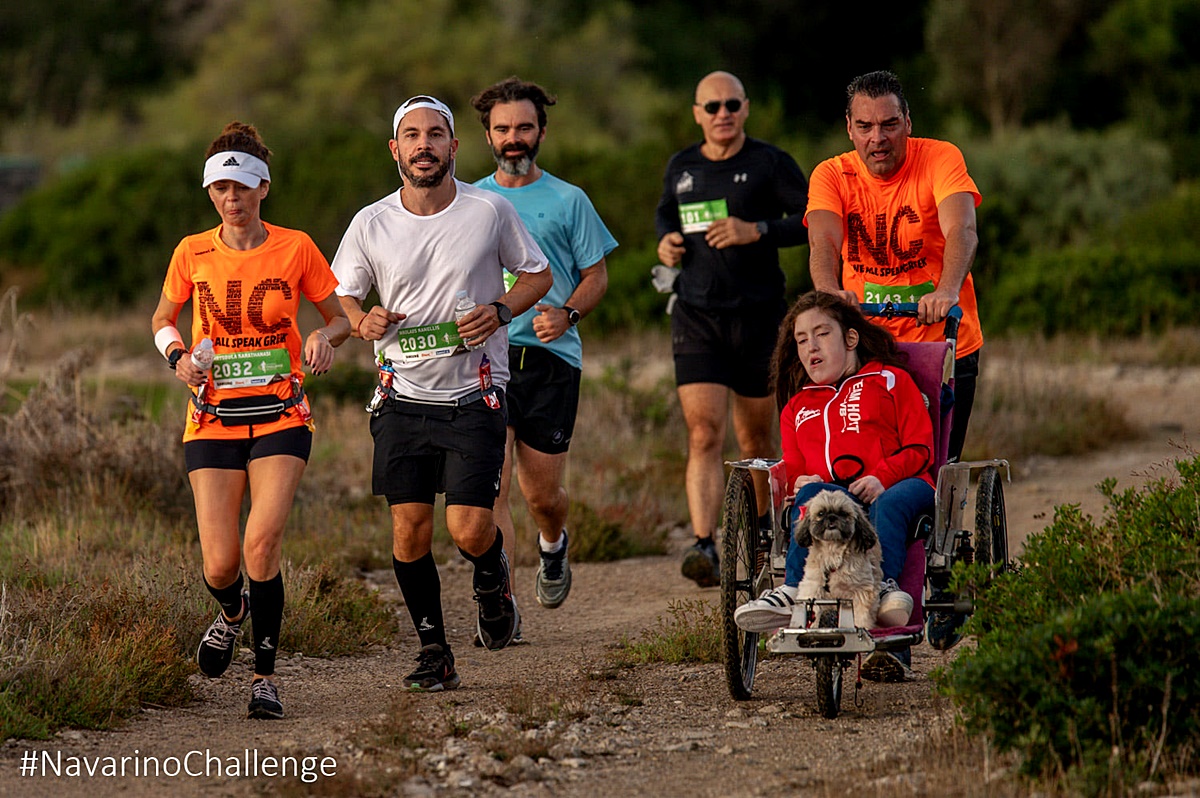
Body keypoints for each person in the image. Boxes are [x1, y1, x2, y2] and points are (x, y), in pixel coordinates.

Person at [331, 95, 552, 692]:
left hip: (474, 394)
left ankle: (491, 573)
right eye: (411, 135)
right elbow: (342, 297)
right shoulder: (370, 222)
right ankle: (435, 651)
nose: (423, 145)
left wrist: (501, 309)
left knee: (469, 529)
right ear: (395, 149)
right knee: (408, 532)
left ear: (454, 147)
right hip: (400, 394)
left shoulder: (490, 210)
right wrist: (361, 321)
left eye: (435, 134)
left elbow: (538, 274)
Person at [150, 121, 351, 720]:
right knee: (220, 563)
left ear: (263, 187)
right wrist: (177, 356)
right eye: (219, 189)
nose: (230, 199)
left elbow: (340, 316)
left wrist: (325, 336)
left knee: (261, 546)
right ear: (210, 194)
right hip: (211, 416)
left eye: (240, 187)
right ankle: (232, 613)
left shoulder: (296, 247)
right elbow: (163, 317)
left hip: (282, 414)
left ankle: (264, 678)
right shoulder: (191, 251)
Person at [654, 70, 809, 588]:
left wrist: (757, 229)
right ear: (696, 113)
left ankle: (764, 533)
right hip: (696, 317)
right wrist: (666, 244)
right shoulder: (682, 166)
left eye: (732, 105)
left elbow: (812, 217)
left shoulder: (769, 162)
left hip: (760, 317)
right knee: (704, 433)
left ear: (746, 108)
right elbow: (665, 221)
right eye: (712, 106)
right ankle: (704, 546)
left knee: (755, 437)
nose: (723, 114)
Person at [470, 77, 617, 615]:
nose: (514, 138)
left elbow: (597, 275)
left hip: (551, 359)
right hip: (485, 358)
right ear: (487, 135)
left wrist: (569, 311)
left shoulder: (568, 199)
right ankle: (500, 600)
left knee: (542, 497)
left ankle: (553, 544)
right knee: (493, 491)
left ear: (541, 132)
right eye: (503, 128)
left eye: (524, 127)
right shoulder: (470, 200)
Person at [732, 291, 934, 682]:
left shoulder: (890, 380)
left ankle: (883, 586)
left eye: (822, 334)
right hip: (832, 497)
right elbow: (793, 465)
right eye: (802, 339)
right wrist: (800, 479)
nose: (811, 347)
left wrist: (883, 476)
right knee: (811, 497)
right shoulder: (796, 407)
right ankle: (792, 591)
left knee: (886, 504)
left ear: (851, 339)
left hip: (902, 486)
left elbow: (921, 446)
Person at [806, 69, 982, 464]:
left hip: (943, 339)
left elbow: (963, 229)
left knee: (936, 463)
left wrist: (947, 290)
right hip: (867, 343)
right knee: (865, 457)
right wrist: (828, 291)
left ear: (908, 123)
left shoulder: (940, 158)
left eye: (889, 125)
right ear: (849, 129)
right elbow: (824, 240)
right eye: (865, 126)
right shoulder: (831, 174)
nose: (878, 139)